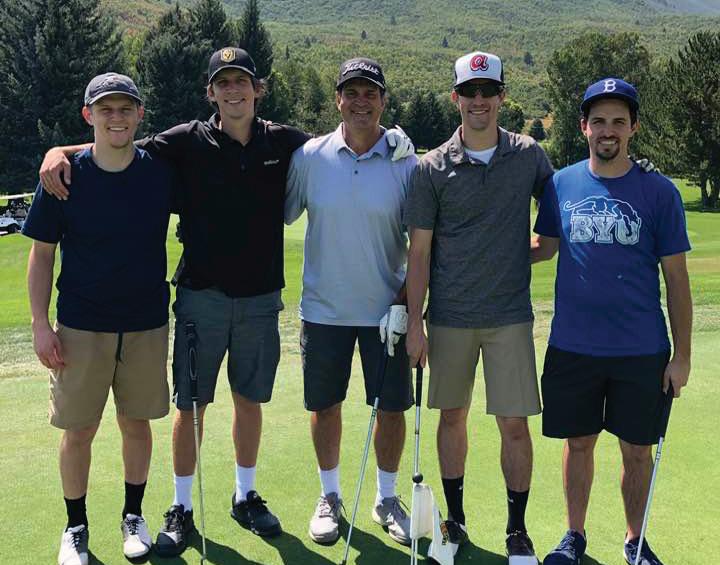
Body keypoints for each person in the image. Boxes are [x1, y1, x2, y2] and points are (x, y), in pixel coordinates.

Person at [39, 47, 414, 557]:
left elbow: (348, 138)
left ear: (258, 90)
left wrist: (395, 138)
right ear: (211, 92)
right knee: (190, 405)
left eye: (242, 82)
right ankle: (181, 507)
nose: (234, 90)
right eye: (224, 83)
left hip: (260, 298)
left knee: (248, 400)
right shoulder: (184, 140)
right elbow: (117, 142)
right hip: (201, 295)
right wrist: (59, 150)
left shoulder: (286, 143)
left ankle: (245, 495)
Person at [532, 78, 692, 565]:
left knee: (637, 451)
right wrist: (473, 254)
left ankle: (634, 541)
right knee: (578, 443)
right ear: (583, 127)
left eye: (619, 121)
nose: (608, 130)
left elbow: (677, 281)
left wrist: (682, 357)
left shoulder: (659, 192)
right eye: (599, 120)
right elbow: (543, 248)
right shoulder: (560, 185)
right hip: (573, 345)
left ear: (633, 127)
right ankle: (573, 536)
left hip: (641, 350)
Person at [404, 51, 554, 563]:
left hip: (510, 316)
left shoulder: (529, 155)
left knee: (514, 425)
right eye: (470, 92)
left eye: (488, 91)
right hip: (450, 317)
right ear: (456, 98)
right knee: (452, 417)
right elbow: (419, 252)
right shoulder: (431, 167)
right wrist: (416, 323)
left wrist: (526, 253)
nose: (479, 101)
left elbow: (559, 213)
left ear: (501, 97)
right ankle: (455, 520)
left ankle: (517, 529)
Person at [24, 73, 175, 565]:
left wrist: (59, 147)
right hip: (80, 327)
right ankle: (75, 527)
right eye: (105, 109)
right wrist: (40, 324)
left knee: (136, 423)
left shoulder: (159, 171)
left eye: (125, 108)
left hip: (145, 323)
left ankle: (133, 516)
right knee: (79, 431)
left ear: (140, 115)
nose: (116, 117)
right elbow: (42, 254)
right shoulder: (62, 177)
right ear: (88, 115)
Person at [284, 57, 417, 546]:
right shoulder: (310, 157)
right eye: (352, 92)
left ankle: (386, 498)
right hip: (324, 311)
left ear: (384, 100)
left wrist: (406, 303)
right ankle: (331, 496)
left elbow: (422, 245)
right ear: (337, 99)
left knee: (391, 409)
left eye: (371, 93)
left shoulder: (406, 163)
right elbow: (277, 211)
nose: (361, 101)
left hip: (387, 312)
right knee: (325, 406)